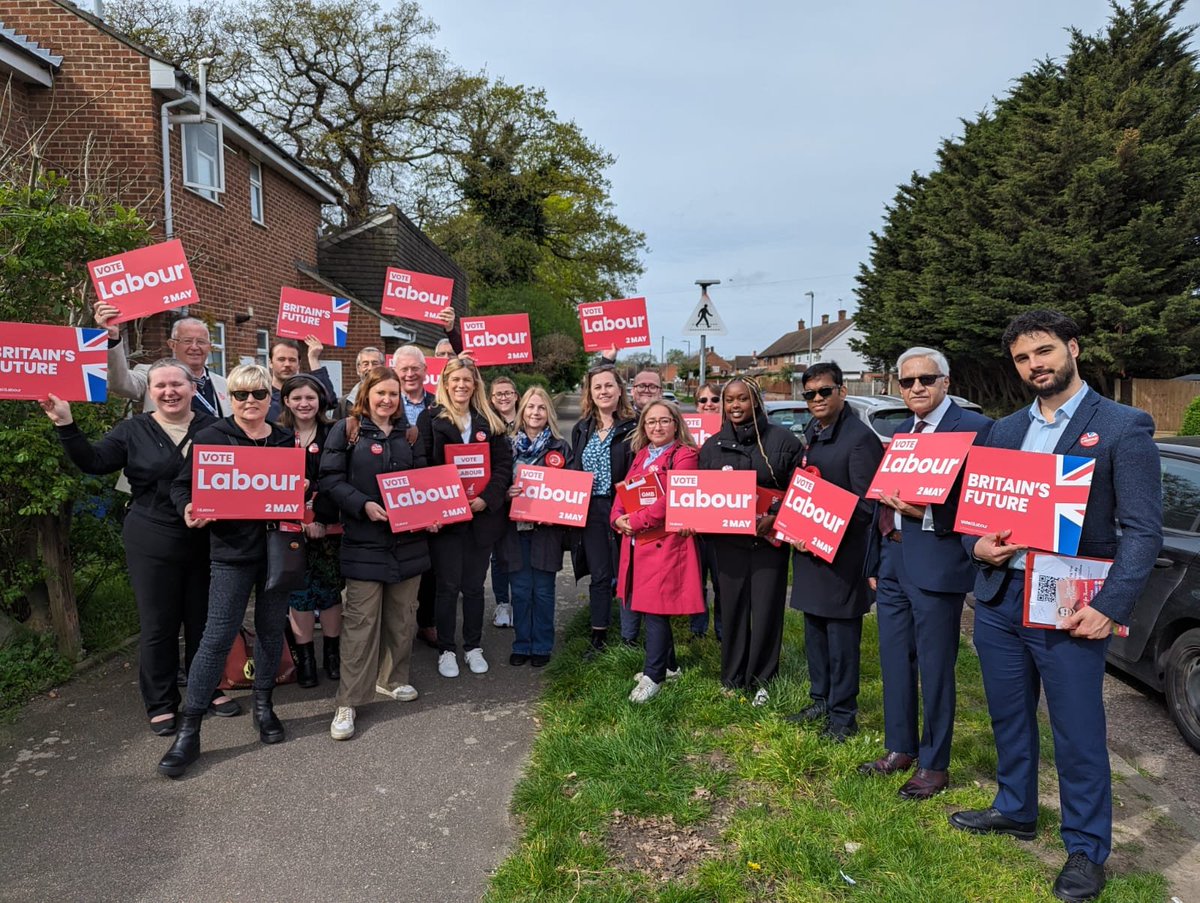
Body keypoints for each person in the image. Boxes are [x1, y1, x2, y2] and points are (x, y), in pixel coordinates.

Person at [948, 311, 1161, 903]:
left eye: (1044, 351)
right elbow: (975, 513)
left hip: (1070, 605)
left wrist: (1111, 606)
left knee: (1078, 732)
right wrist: (977, 545)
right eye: (1022, 358)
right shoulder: (1003, 429)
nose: (1034, 365)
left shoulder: (1123, 426)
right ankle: (1015, 808)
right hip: (999, 600)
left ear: (1072, 348)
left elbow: (1143, 531)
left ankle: (1086, 848)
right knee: (1008, 717)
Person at [40, 359, 230, 734]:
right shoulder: (134, 429)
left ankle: (205, 689)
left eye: (177, 384)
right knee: (159, 622)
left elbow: (247, 471)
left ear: (194, 388)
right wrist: (66, 423)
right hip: (152, 535)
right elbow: (94, 461)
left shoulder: (215, 429)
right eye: (160, 386)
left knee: (202, 620)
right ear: (149, 391)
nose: (169, 392)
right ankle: (160, 701)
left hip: (208, 535)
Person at [859, 347, 993, 799]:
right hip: (893, 561)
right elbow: (883, 499)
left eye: (926, 380)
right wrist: (878, 559)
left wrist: (927, 513)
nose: (917, 387)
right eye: (908, 381)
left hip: (937, 565)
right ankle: (900, 747)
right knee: (894, 660)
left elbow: (981, 502)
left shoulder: (976, 430)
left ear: (946, 382)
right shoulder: (901, 432)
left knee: (936, 667)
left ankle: (935, 764)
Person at [159, 364, 297, 778]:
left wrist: (305, 494)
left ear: (270, 399)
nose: (250, 401)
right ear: (230, 398)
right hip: (231, 552)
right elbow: (182, 485)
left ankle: (263, 705)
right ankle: (190, 728)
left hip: (278, 551)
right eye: (241, 395)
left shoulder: (285, 439)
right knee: (217, 636)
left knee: (273, 630)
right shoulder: (211, 436)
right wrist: (187, 507)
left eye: (258, 394)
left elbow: (300, 487)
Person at [319, 366, 435, 741]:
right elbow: (330, 480)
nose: (387, 400)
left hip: (408, 542)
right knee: (360, 623)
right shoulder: (348, 430)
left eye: (393, 394)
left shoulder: (411, 433)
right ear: (366, 394)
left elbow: (422, 479)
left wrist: (431, 511)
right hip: (365, 540)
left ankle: (392, 679)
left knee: (403, 618)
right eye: (380, 393)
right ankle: (348, 702)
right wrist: (363, 505)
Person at [786, 362, 883, 741]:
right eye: (810, 393)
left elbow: (867, 505)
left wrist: (820, 521)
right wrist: (796, 524)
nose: (817, 399)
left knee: (842, 640)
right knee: (814, 631)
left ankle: (844, 716)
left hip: (841, 557)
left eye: (825, 391)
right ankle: (820, 699)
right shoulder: (814, 430)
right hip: (810, 552)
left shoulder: (860, 438)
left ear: (842, 391)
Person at [697, 377, 801, 705]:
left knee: (768, 609)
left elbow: (802, 488)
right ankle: (732, 677)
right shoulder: (712, 447)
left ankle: (763, 680)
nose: (735, 406)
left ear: (756, 401)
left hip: (769, 543)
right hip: (728, 545)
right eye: (729, 400)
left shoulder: (783, 441)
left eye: (742, 399)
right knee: (731, 609)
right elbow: (700, 497)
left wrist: (778, 515)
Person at [417, 358, 513, 677]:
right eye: (455, 379)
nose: (461, 385)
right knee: (446, 586)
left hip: (481, 519)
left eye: (467, 380)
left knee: (473, 586)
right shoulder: (430, 418)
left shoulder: (490, 419)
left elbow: (502, 466)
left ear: (475, 385)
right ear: (445, 382)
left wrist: (486, 499)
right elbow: (423, 467)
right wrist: (440, 505)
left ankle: (473, 646)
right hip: (446, 520)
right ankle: (447, 649)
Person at [612, 401, 702, 702]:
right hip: (639, 542)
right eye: (651, 422)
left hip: (666, 543)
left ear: (676, 424)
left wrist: (635, 521)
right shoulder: (640, 455)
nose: (657, 427)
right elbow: (624, 491)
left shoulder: (685, 455)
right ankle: (671, 666)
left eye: (664, 421)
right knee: (650, 604)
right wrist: (617, 518)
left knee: (655, 608)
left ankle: (653, 676)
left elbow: (673, 500)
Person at [278, 373, 344, 687]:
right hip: (287, 531)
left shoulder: (335, 432)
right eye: (297, 398)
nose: (304, 404)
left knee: (329, 593)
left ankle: (332, 654)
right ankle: (305, 659)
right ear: (286, 402)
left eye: (310, 398)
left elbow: (339, 479)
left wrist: (319, 517)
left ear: (319, 401)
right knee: (299, 595)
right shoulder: (276, 434)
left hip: (327, 528)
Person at [569, 364, 637, 655]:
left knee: (627, 572)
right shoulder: (582, 427)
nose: (603, 391)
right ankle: (598, 634)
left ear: (620, 390)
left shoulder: (634, 426)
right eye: (597, 387)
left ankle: (630, 636)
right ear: (590, 393)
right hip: (591, 510)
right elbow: (573, 468)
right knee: (599, 574)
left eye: (608, 385)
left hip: (623, 507)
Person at [502, 386, 572, 667]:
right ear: (522, 411)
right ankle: (522, 643)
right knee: (519, 590)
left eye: (541, 408)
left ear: (549, 413)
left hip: (546, 531)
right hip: (514, 530)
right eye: (530, 407)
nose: (535, 412)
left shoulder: (560, 447)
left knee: (543, 591)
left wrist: (555, 509)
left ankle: (542, 646)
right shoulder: (506, 446)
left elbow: (570, 490)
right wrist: (506, 493)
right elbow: (496, 481)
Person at [94, 302, 231, 417]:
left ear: (209, 347)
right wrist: (112, 338)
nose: (194, 347)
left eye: (201, 342)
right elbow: (120, 383)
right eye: (187, 341)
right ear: (172, 345)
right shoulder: (151, 374)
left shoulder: (224, 384)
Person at [690, 381, 724, 640]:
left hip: (723, 516)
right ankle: (698, 629)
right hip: (695, 516)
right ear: (696, 405)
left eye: (714, 399)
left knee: (723, 580)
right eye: (703, 400)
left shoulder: (732, 433)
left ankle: (723, 630)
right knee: (696, 579)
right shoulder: (686, 434)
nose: (709, 404)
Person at [488, 376, 520, 629]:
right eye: (498, 394)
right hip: (497, 497)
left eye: (508, 393)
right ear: (491, 399)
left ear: (516, 395)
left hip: (525, 498)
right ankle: (502, 603)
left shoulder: (528, 420)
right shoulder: (486, 425)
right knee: (498, 555)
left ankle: (519, 602)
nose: (504, 397)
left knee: (518, 553)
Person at [266, 338, 337, 421]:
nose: (287, 364)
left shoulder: (305, 392)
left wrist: (313, 359)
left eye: (292, 360)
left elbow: (330, 401)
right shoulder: (262, 395)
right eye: (281, 359)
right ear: (270, 363)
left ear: (298, 364)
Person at [337, 346, 385, 419]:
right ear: (358, 369)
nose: (370, 368)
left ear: (383, 367)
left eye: (375, 363)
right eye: (365, 364)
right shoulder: (344, 403)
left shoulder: (394, 398)